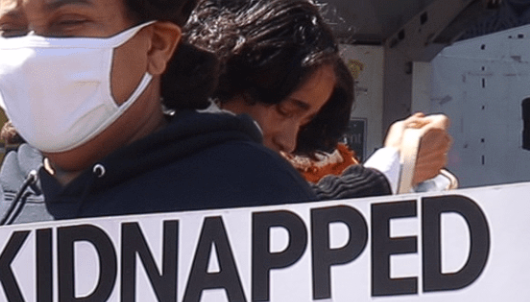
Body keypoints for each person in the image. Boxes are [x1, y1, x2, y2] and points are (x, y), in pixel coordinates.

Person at [0, 0, 324, 229]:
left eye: (69, 23)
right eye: (11, 31)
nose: (31, 52)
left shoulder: (254, 195)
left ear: (157, 45)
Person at [183, 0, 452, 198]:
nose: (288, 141)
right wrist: (391, 171)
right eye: (286, 110)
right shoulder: (179, 153)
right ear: (232, 74)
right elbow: (294, 216)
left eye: (304, 122)